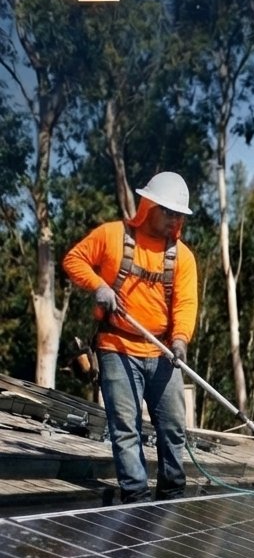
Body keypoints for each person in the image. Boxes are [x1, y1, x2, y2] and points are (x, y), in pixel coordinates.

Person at [63, 172, 198, 503]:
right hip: (117, 346)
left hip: (163, 352)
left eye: (179, 214)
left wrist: (180, 340)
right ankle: (137, 499)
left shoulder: (182, 257)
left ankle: (171, 496)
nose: (174, 220)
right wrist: (99, 286)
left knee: (173, 428)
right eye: (168, 211)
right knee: (126, 427)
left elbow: (186, 303)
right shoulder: (112, 236)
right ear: (148, 206)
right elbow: (73, 260)